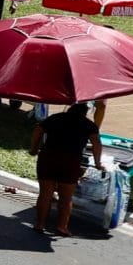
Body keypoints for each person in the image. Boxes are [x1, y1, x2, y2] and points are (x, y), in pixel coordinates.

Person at [30, 99, 104, 237]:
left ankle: (39, 224)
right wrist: (98, 163)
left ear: (70, 108)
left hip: (48, 158)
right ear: (86, 112)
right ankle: (62, 227)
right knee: (66, 197)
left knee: (45, 194)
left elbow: (37, 130)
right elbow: (97, 143)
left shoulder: (55, 118)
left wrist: (34, 148)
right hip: (70, 162)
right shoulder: (88, 125)